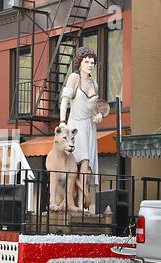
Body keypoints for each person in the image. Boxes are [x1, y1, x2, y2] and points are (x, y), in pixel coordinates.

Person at [59, 47, 103, 209]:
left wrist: (98, 116)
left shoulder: (94, 84)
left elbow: (95, 109)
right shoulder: (74, 78)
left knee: (88, 164)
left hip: (90, 127)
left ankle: (83, 204)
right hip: (75, 124)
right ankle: (75, 202)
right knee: (81, 160)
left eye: (92, 62)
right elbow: (64, 100)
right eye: (87, 62)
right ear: (80, 63)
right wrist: (62, 121)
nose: (90, 65)